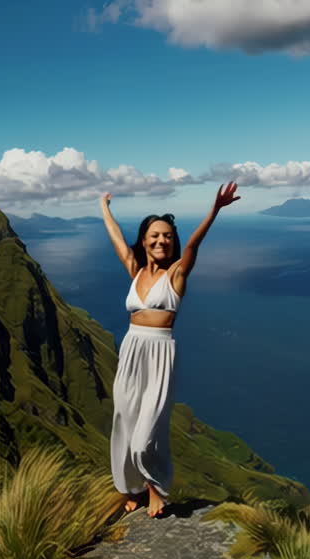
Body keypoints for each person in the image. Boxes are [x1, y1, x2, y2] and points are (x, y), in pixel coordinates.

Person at [99, 182, 240, 518]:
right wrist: (104, 207)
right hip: (132, 350)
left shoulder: (176, 274)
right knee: (124, 420)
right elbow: (117, 239)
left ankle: (156, 488)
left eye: (167, 236)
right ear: (144, 240)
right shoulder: (135, 271)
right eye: (155, 235)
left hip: (160, 354)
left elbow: (194, 244)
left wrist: (215, 210)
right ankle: (131, 489)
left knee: (147, 433)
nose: (162, 241)